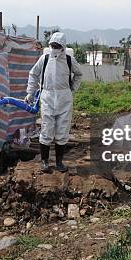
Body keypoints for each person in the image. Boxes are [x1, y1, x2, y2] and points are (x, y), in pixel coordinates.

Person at [25, 32, 82, 173]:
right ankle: (44, 161)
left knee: (62, 130)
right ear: (50, 45)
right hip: (47, 96)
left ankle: (59, 162)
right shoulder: (44, 58)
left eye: (57, 46)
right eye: (53, 45)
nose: (54, 48)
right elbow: (33, 74)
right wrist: (30, 92)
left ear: (63, 47)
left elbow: (79, 74)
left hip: (64, 97)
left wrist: (73, 88)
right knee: (46, 129)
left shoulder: (69, 60)